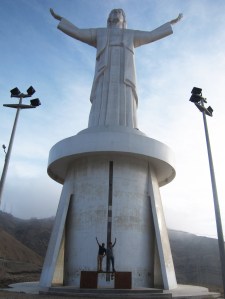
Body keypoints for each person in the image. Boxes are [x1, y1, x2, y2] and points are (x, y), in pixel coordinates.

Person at [50, 8, 182, 129]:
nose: (116, 13)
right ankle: (98, 126)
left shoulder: (131, 34)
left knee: (125, 94)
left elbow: (151, 35)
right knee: (102, 96)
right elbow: (78, 32)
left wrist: (170, 24)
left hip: (125, 73)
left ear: (124, 19)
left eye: (119, 12)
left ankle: (128, 126)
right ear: (109, 18)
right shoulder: (100, 33)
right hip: (105, 71)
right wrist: (61, 20)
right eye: (113, 12)